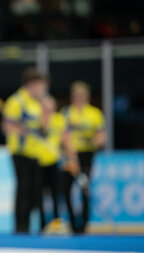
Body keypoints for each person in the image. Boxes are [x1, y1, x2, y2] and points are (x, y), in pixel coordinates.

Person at [1, 67, 48, 233]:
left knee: (35, 190)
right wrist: (23, 130)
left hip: (35, 153)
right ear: (33, 84)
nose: (43, 90)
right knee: (23, 188)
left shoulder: (37, 103)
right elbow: (7, 125)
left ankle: (30, 225)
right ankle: (20, 227)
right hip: (20, 152)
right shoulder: (17, 101)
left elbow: (42, 129)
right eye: (41, 86)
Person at [61, 81, 106, 234]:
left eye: (82, 95)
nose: (79, 98)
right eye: (76, 95)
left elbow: (101, 136)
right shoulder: (66, 113)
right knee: (66, 189)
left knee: (84, 187)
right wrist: (71, 157)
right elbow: (63, 136)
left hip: (87, 155)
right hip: (70, 156)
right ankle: (72, 222)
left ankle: (84, 223)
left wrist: (95, 141)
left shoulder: (95, 114)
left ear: (87, 97)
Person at [37, 95, 79, 232]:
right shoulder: (36, 119)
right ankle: (42, 225)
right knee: (39, 196)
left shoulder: (59, 120)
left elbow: (67, 141)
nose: (48, 111)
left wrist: (73, 158)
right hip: (37, 162)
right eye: (45, 108)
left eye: (51, 108)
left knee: (56, 194)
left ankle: (56, 223)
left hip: (54, 162)